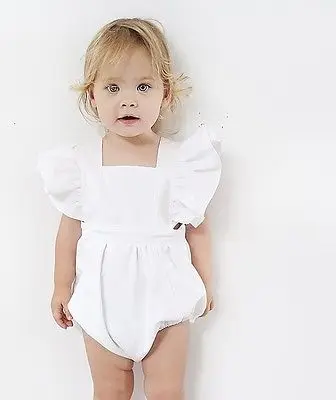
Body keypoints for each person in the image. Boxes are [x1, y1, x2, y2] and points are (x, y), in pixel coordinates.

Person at [37, 17, 222, 400]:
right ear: (92, 95)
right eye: (113, 87)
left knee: (167, 391)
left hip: (167, 292)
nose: (128, 100)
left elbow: (197, 227)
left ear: (165, 94)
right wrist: (61, 285)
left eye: (143, 86)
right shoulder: (81, 164)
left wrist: (205, 282)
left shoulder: (181, 163)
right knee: (109, 390)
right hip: (102, 296)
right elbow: (69, 230)